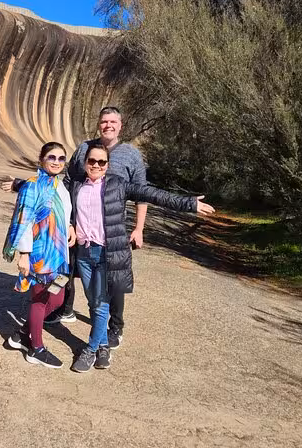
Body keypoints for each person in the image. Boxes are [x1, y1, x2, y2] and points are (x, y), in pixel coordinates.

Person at [1, 106, 146, 349]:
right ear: (98, 124)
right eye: (104, 121)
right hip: (78, 229)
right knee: (70, 271)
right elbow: (61, 181)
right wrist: (21, 184)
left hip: (111, 231)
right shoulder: (83, 149)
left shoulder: (131, 155)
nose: (108, 125)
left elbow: (142, 194)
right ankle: (63, 309)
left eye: (113, 122)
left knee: (114, 281)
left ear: (121, 125)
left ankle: (116, 327)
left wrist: (138, 228)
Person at [69, 143, 215, 372]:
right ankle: (104, 346)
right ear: (85, 162)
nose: (96, 165)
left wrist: (189, 203)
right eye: (92, 161)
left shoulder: (118, 186)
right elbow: (52, 190)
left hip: (108, 254)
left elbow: (152, 194)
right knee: (93, 302)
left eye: (101, 162)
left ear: (108, 166)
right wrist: (19, 185)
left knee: (99, 304)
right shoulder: (77, 186)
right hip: (84, 254)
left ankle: (90, 349)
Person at [2, 142, 76, 369]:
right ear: (42, 159)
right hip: (38, 253)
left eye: (61, 158)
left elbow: (63, 212)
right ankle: (36, 348)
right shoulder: (33, 186)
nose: (56, 162)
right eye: (51, 157)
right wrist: (23, 255)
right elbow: (24, 219)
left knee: (57, 298)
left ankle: (23, 334)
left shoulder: (59, 186)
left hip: (57, 252)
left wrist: (70, 226)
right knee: (40, 298)